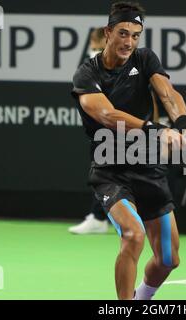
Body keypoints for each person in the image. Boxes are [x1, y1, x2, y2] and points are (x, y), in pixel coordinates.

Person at [71, 1, 186, 300]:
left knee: (169, 259)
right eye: (122, 33)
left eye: (135, 35)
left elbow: (167, 93)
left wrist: (184, 125)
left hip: (149, 169)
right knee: (133, 236)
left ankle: (141, 299)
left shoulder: (144, 59)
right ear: (108, 33)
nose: (129, 42)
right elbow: (108, 116)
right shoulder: (86, 75)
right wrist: (158, 131)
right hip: (110, 171)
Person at [69, 27, 109, 235]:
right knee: (105, 175)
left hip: (121, 130)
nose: (92, 49)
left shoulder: (125, 66)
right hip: (104, 131)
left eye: (96, 44)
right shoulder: (90, 67)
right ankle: (98, 217)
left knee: (108, 175)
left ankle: (99, 216)